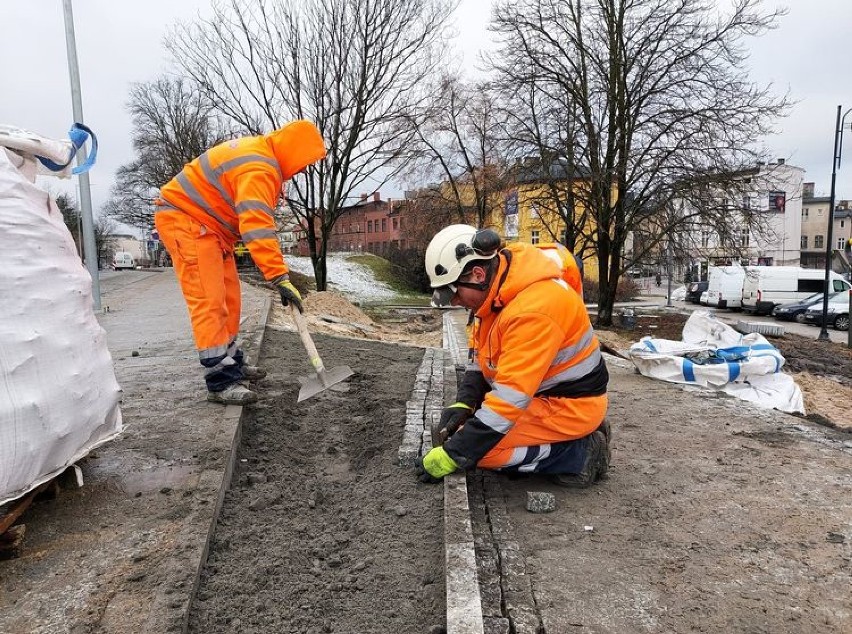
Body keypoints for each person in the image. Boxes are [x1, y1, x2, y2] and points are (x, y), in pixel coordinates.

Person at [416, 225, 610, 487]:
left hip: (570, 406)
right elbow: (481, 357)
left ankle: (580, 454)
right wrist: (465, 402)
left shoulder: (532, 311)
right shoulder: (496, 293)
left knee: (481, 451)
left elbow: (507, 403)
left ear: (477, 273)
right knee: (473, 436)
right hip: (543, 396)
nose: (454, 302)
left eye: (454, 292)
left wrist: (454, 455)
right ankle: (567, 443)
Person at [154, 120, 326, 405]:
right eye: (305, 162)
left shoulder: (261, 157)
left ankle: (232, 362)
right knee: (209, 302)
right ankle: (220, 381)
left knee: (230, 299)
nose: (302, 169)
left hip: (210, 229)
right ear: (295, 152)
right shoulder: (259, 168)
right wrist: (279, 277)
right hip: (186, 222)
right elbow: (257, 227)